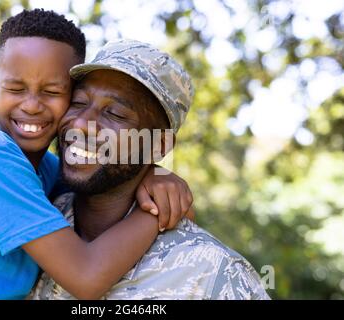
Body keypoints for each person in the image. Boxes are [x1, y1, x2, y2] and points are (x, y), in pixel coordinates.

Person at [0, 10, 194, 300]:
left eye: (51, 91)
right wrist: (153, 213)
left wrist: (155, 174)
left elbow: (111, 185)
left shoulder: (48, 171)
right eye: (16, 88)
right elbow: (85, 278)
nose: (32, 105)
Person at [30, 39, 270, 300]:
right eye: (78, 102)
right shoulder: (30, 217)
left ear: (159, 145)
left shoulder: (212, 272)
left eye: (116, 114)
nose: (82, 123)